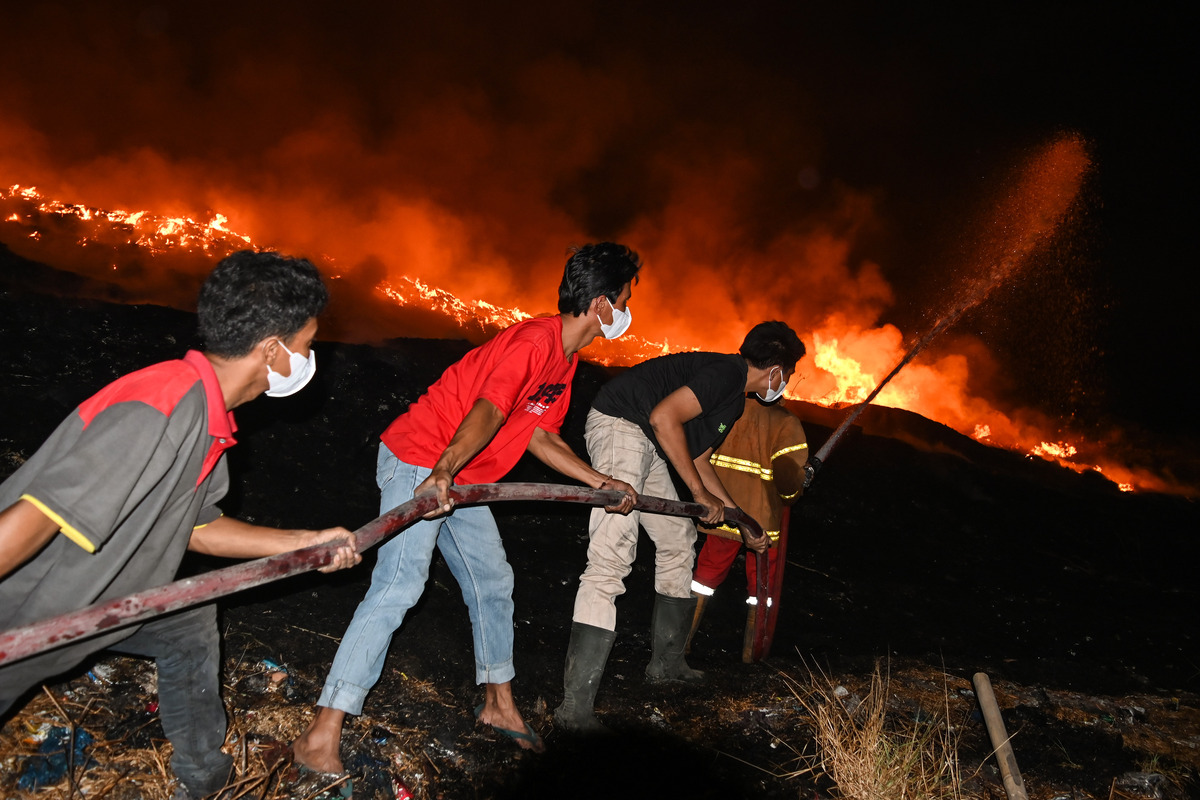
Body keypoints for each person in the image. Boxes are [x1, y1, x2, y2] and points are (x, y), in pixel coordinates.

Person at [0, 250, 361, 800]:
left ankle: (204, 779)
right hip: (22, 624)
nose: (310, 358)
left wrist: (309, 543)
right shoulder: (161, 405)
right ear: (272, 350)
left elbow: (197, 528)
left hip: (100, 609)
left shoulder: (208, 417)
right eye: (307, 345)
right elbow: (31, 522)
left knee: (186, 623)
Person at [292, 242, 641, 772]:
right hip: (423, 459)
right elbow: (489, 409)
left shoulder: (565, 362)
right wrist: (443, 471)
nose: (628, 311)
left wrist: (601, 482)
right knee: (400, 584)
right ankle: (321, 731)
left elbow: (540, 436)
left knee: (493, 579)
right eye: (625, 298)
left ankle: (498, 705)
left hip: (463, 476)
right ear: (601, 303)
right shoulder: (534, 342)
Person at [554, 321, 806, 731]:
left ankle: (666, 663)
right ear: (776, 369)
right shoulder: (726, 374)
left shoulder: (733, 399)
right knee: (613, 555)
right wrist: (696, 492)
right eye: (789, 373)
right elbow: (663, 416)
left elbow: (699, 460)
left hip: (648, 439)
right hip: (621, 425)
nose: (786, 384)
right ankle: (574, 708)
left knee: (678, 538)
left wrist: (744, 522)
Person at [686, 395, 808, 660]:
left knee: (705, 575)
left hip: (724, 512)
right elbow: (787, 479)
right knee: (762, 587)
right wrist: (797, 488)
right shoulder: (785, 422)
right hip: (762, 521)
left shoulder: (728, 408)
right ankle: (752, 657)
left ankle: (679, 646)